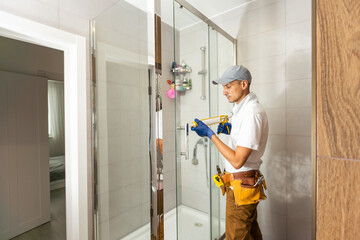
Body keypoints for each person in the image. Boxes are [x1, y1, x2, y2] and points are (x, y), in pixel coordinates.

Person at [191, 65, 268, 240]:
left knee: (235, 237)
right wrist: (232, 131)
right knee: (251, 234)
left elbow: (237, 160)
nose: (224, 92)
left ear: (244, 84)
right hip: (243, 185)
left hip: (241, 187)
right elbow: (246, 142)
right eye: (223, 87)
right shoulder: (244, 110)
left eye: (228, 86)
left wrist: (210, 134)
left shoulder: (252, 113)